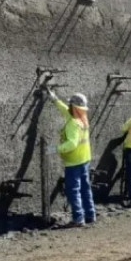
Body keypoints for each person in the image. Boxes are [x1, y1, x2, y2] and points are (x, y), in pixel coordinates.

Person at [45, 87, 95, 227]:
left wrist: (55, 149)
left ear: (73, 106)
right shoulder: (82, 119)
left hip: (73, 162)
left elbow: (72, 143)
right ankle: (90, 214)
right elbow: (65, 111)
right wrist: (54, 99)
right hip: (85, 159)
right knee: (85, 188)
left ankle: (78, 219)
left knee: (73, 190)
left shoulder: (73, 123)